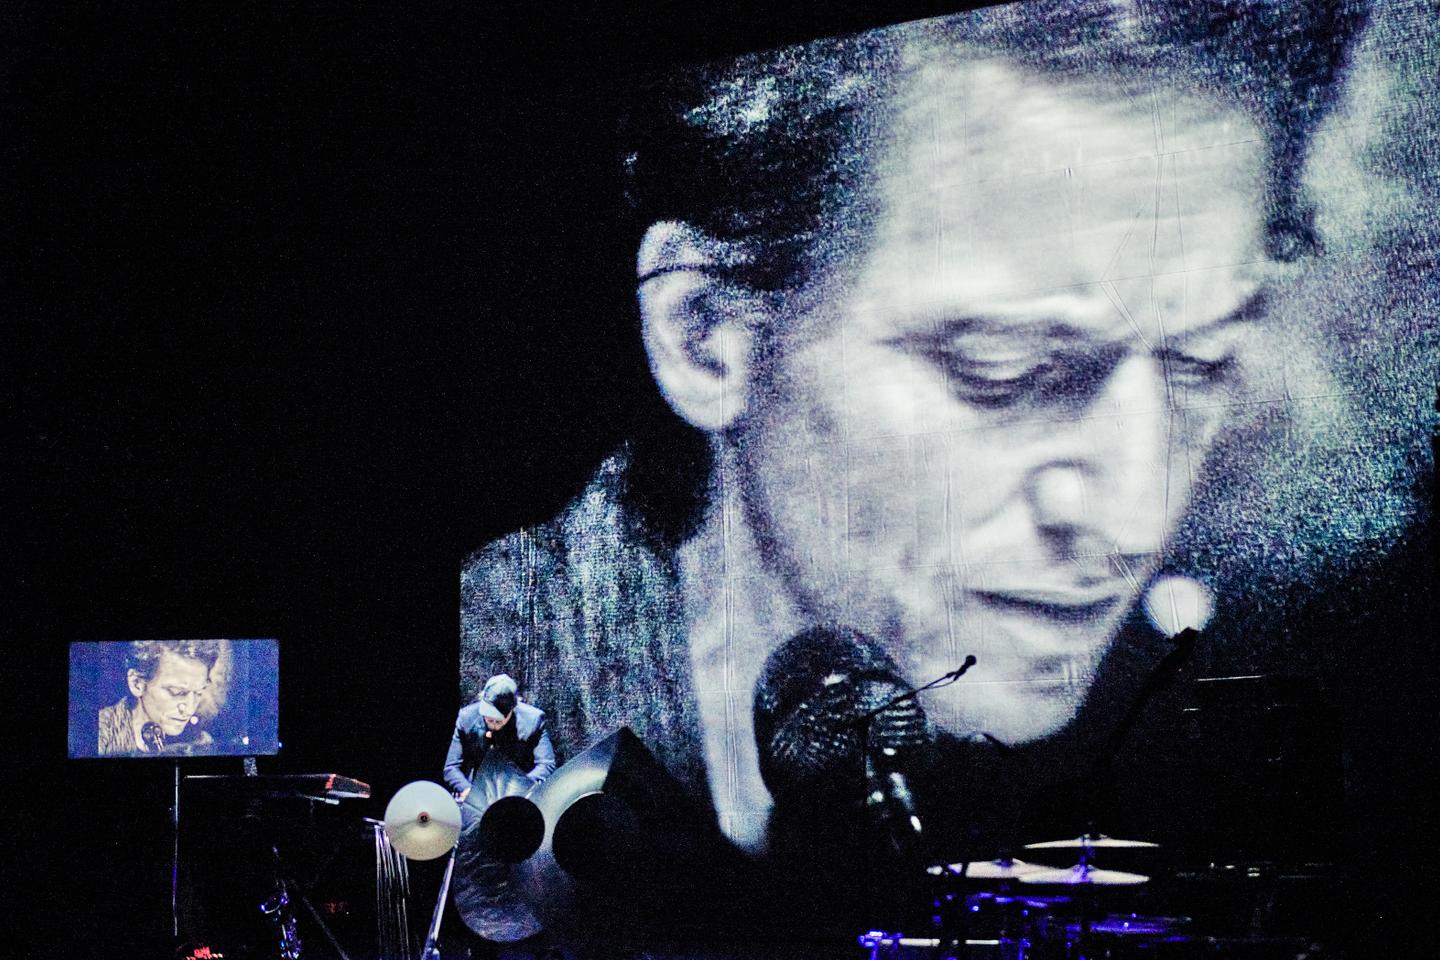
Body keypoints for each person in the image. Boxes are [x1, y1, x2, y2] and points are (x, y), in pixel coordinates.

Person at [462, 0, 1384, 862]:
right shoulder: (500, 678)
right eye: (1002, 369)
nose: (1137, 520)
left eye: (1202, 362)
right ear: (706, 338)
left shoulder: (1157, 731)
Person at [98, 639, 221, 755]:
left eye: (198, 693)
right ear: (137, 683)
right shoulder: (100, 732)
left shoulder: (201, 741)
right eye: (177, 692)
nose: (189, 710)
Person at [444, 673, 557, 798]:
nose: (493, 723)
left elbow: (546, 764)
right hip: (479, 792)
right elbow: (451, 767)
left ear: (513, 709)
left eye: (498, 721)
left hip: (519, 793)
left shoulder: (533, 720)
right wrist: (466, 789)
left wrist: (520, 789)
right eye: (488, 718)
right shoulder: (466, 718)